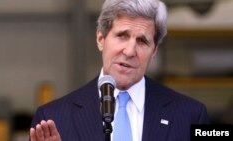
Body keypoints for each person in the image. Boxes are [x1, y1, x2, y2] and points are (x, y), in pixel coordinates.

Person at [29, 0, 209, 141]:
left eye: (142, 41)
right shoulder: (52, 118)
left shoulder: (190, 116)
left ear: (154, 51)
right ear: (100, 38)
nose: (130, 51)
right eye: (122, 36)